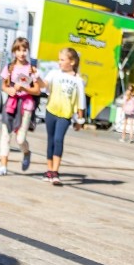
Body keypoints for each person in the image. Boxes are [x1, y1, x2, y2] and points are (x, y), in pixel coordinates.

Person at [38, 47, 86, 186]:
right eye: (59, 59)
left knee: (59, 140)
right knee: (51, 140)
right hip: (51, 111)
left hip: (65, 115)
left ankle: (55, 171)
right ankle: (49, 170)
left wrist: (80, 120)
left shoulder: (78, 80)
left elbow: (80, 101)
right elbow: (44, 85)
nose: (59, 62)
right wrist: (36, 77)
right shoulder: (54, 73)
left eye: (62, 59)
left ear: (72, 62)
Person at [0, 37, 41, 176]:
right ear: (14, 51)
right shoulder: (9, 67)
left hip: (26, 105)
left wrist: (24, 89)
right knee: (5, 135)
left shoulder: (32, 69)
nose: (21, 53)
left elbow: (37, 90)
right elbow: (4, 85)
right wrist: (9, 90)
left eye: (24, 50)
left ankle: (26, 152)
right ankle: (3, 166)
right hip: (10, 104)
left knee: (20, 139)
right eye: (18, 50)